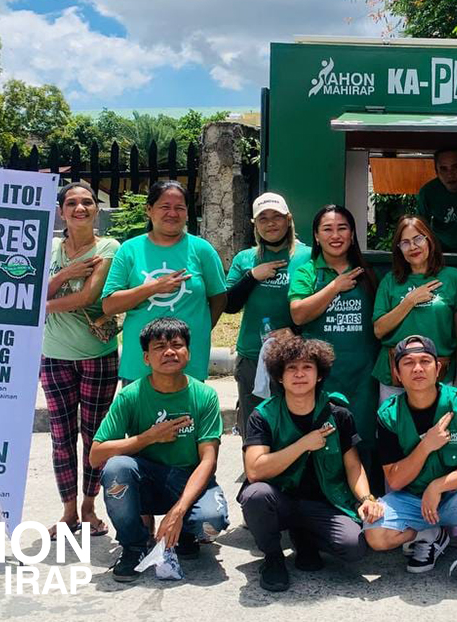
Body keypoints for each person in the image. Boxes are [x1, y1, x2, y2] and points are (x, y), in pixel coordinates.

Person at [238, 335, 383, 592]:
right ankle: (273, 557)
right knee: (256, 495)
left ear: (319, 375)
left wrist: (366, 498)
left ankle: (305, 536)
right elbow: (255, 470)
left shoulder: (338, 414)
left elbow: (353, 465)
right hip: (279, 499)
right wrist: (303, 444)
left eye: (307, 367)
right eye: (291, 368)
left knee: (354, 547)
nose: (299, 374)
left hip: (323, 503)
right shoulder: (263, 415)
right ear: (280, 377)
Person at [90, 317, 229, 582]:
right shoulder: (131, 395)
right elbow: (96, 454)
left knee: (211, 522)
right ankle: (134, 546)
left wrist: (177, 512)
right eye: (159, 347)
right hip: (147, 480)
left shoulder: (205, 396)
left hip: (187, 479)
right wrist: (148, 437)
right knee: (117, 467)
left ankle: (185, 533)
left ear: (188, 353)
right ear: (145, 358)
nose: (169, 352)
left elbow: (208, 461)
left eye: (177, 345)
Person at [363, 335, 457, 596]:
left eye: (425, 361)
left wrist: (439, 485)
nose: (417, 368)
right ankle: (428, 534)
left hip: (454, 496)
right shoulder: (388, 414)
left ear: (438, 369)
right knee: (376, 534)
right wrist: (426, 446)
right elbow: (396, 480)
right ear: (397, 373)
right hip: (412, 499)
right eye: (408, 363)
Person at [40, 182, 120, 539]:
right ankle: (68, 509)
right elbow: (33, 288)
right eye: (72, 203)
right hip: (53, 355)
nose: (80, 208)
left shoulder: (108, 247)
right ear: (61, 211)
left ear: (96, 209)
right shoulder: (48, 249)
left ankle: (90, 506)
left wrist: (39, 307)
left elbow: (88, 296)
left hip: (97, 356)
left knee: (94, 437)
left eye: (87, 202)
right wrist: (64, 275)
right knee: (61, 437)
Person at [102, 181, 227, 385]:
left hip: (188, 361)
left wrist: (200, 329)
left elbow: (219, 298)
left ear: (187, 213)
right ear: (149, 210)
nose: (172, 213)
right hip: (140, 362)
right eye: (165, 207)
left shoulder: (202, 250)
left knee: (187, 417)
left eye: (179, 208)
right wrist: (155, 287)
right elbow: (109, 305)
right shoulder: (129, 250)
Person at [288, 205, 379, 462]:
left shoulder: (368, 273)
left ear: (352, 234)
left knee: (364, 440)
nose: (335, 235)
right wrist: (335, 287)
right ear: (316, 236)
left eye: (342, 228)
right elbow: (298, 313)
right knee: (324, 439)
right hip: (322, 376)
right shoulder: (307, 271)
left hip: (364, 376)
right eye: (327, 229)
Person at [224, 192, 310, 434]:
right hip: (252, 355)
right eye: (263, 218)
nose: (270, 223)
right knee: (254, 426)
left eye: (277, 217)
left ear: (289, 219)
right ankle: (256, 471)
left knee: (295, 425)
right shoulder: (245, 258)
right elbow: (229, 305)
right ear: (255, 224)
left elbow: (319, 305)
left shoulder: (308, 256)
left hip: (296, 355)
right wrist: (252, 276)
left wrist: (296, 331)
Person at [372, 216, 457, 402]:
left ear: (429, 239)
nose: (413, 247)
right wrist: (409, 301)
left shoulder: (453, 277)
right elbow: (379, 330)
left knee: (440, 430)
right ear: (399, 249)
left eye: (418, 239)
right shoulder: (390, 281)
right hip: (395, 376)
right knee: (394, 429)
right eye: (405, 243)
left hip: (441, 374)